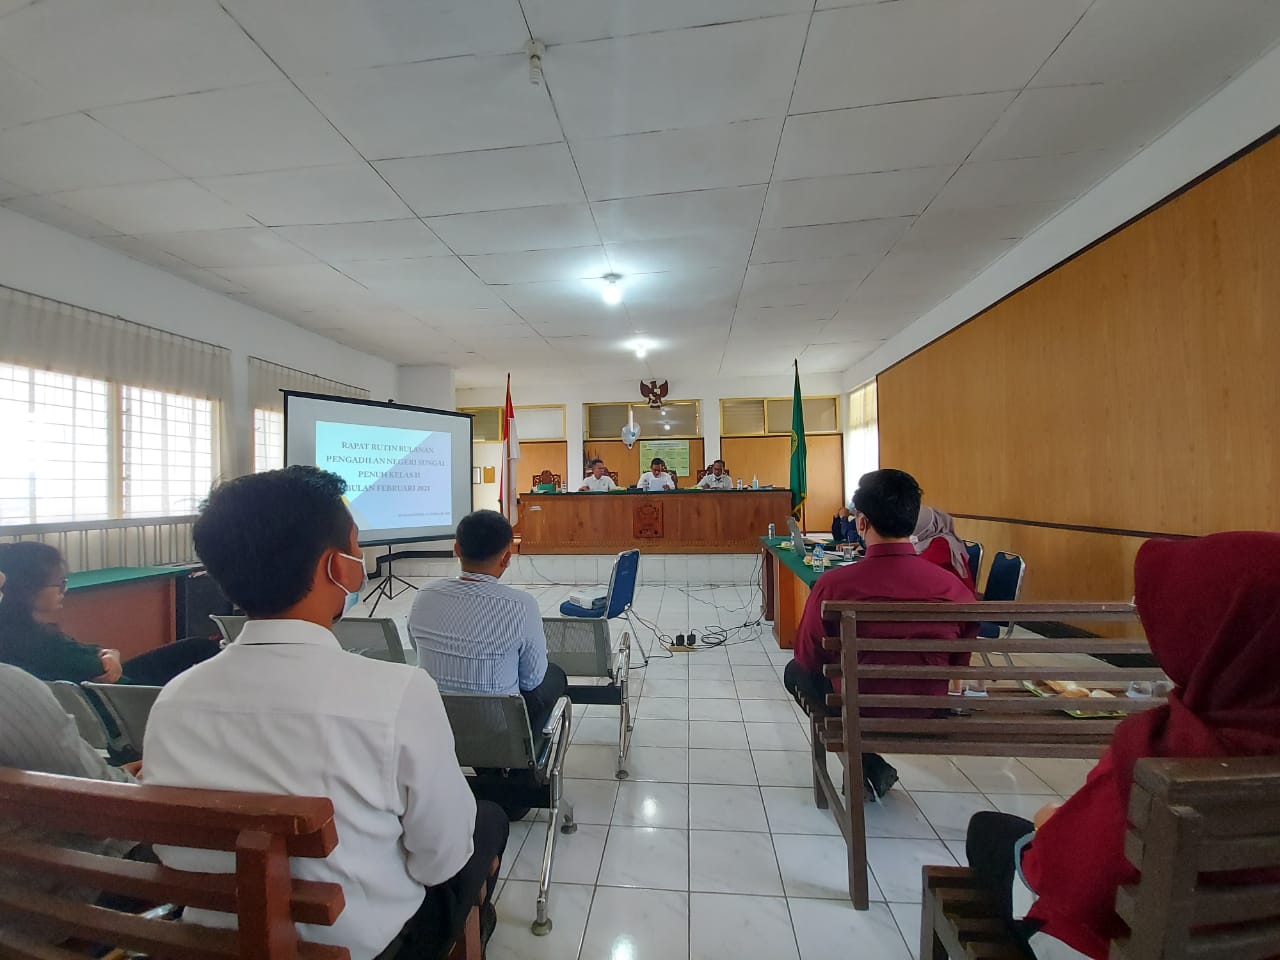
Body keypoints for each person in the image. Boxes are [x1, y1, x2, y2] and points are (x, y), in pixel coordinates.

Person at [142, 466, 506, 960]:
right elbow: (440, 860)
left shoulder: (174, 697)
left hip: (217, 941)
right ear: (338, 567)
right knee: (486, 823)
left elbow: (174, 851)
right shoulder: (397, 693)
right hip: (365, 946)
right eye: (357, 549)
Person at [964, 531, 1280, 960]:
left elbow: (1075, 880)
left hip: (1123, 943)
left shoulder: (1172, 757)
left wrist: (1047, 825)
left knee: (991, 831)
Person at [782, 469, 976, 799]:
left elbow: (808, 657)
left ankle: (865, 763)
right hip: (926, 708)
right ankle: (868, 766)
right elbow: (958, 663)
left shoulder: (835, 585)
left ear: (861, 523)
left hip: (858, 708)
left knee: (794, 672)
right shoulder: (952, 588)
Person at [409, 509, 568, 739]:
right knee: (554, 675)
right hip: (498, 727)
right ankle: (525, 763)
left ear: (456, 550)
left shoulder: (424, 595)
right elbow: (531, 679)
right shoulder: (522, 605)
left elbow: (417, 647)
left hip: (436, 720)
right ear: (506, 558)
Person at [0, 542, 219, 685]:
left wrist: (107, 653)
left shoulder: (17, 634)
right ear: (27, 590)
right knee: (201, 650)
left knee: (194, 647)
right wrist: (107, 656)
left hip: (108, 698)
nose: (63, 590)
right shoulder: (44, 644)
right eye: (58, 584)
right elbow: (97, 667)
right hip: (127, 702)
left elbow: (88, 655)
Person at [913, 505, 975, 590]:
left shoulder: (941, 544)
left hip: (957, 597)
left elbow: (921, 570)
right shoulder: (923, 540)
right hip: (942, 591)